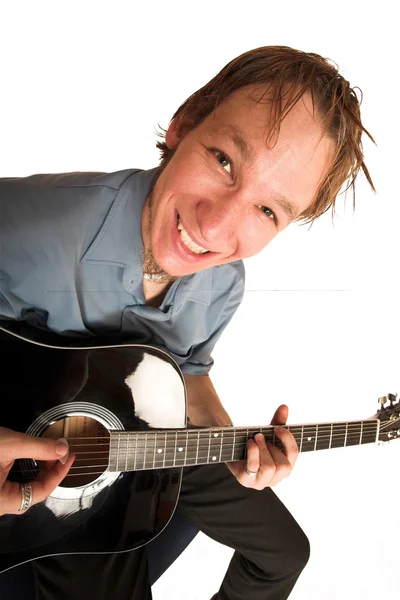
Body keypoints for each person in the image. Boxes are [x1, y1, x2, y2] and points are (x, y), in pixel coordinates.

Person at [0, 45, 375, 599]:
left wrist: (234, 451)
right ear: (184, 124)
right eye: (224, 160)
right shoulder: (19, 226)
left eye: (268, 210)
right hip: (39, 472)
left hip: (139, 438)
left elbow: (188, 374)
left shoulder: (224, 284)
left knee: (284, 554)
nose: (217, 226)